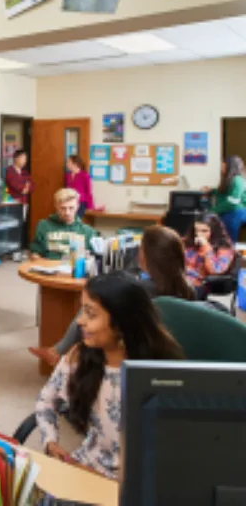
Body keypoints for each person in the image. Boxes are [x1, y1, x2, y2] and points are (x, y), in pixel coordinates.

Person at [35, 271, 184, 479]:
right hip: (88, 466)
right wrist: (50, 442)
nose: (80, 321)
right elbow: (45, 402)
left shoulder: (159, 371)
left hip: (140, 482)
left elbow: (175, 449)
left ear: (122, 323)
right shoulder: (79, 357)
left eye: (91, 313)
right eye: (82, 311)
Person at [29, 225, 196, 367]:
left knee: (95, 305)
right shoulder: (188, 288)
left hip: (131, 349)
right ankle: (58, 351)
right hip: (171, 353)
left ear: (146, 256)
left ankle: (58, 351)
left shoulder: (140, 289)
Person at [29, 188, 96, 260]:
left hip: (75, 269)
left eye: (71, 208)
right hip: (50, 268)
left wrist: (89, 258)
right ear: (56, 207)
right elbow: (35, 254)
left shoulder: (88, 231)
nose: (67, 213)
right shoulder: (43, 226)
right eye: (63, 208)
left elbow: (95, 258)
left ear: (77, 207)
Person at [184, 213, 235, 299]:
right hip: (180, 278)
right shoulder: (189, 241)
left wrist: (206, 247)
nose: (199, 234)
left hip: (200, 284)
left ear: (214, 231)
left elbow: (216, 269)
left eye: (204, 231)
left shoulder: (224, 247)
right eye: (196, 230)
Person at [203, 155, 246, 242]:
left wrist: (214, 210)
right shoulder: (231, 180)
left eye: (224, 166)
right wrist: (212, 191)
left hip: (236, 212)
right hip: (230, 212)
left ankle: (228, 250)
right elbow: (224, 192)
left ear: (231, 167)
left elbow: (233, 201)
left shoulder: (238, 180)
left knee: (227, 239)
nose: (222, 168)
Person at [65, 155, 94, 219]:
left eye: (68, 162)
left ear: (75, 163)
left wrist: (90, 206)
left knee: (76, 221)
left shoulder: (84, 175)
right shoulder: (67, 175)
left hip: (80, 203)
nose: (67, 164)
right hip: (69, 202)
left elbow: (88, 191)